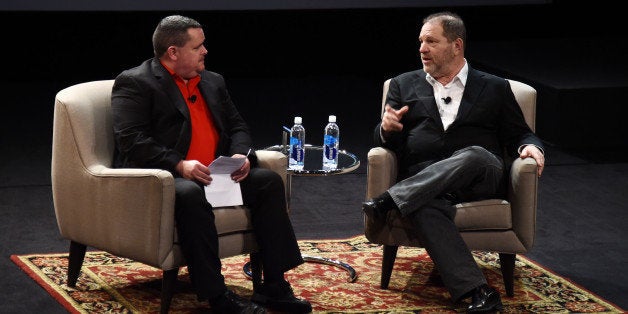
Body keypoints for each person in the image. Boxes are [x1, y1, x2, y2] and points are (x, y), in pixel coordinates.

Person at [111, 15, 312, 314]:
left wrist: (241, 156)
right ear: (173, 52)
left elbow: (238, 126)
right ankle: (218, 297)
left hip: (215, 174)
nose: (205, 51)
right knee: (190, 195)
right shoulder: (135, 82)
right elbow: (132, 140)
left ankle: (273, 285)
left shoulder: (212, 80)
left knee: (268, 182)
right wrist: (179, 165)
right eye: (198, 46)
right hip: (165, 177)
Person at [362, 11, 545, 313]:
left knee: (474, 154)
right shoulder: (403, 85)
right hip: (427, 186)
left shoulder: (494, 87)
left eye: (431, 41)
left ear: (456, 45)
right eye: (420, 41)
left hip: (479, 177)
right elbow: (388, 142)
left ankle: (390, 200)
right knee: (424, 206)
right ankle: (479, 293)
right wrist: (386, 129)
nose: (422, 48)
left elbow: (520, 133)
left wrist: (531, 147)